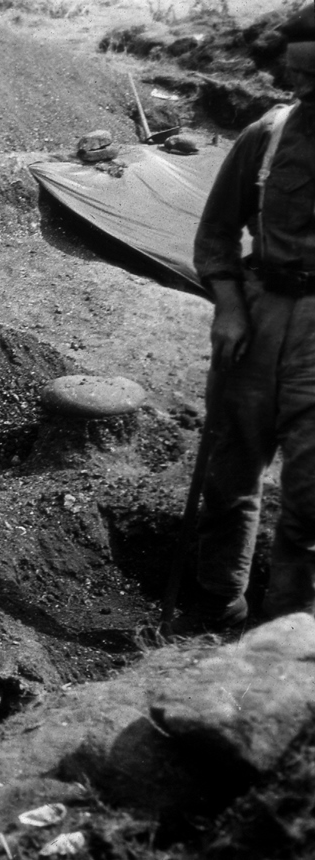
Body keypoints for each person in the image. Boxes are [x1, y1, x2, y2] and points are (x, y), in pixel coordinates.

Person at [189, 28, 315, 630]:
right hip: (261, 315)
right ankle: (217, 607)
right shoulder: (268, 136)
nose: (300, 88)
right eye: (296, 75)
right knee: (230, 472)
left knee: (310, 506)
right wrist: (229, 307)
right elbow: (216, 232)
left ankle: (285, 643)